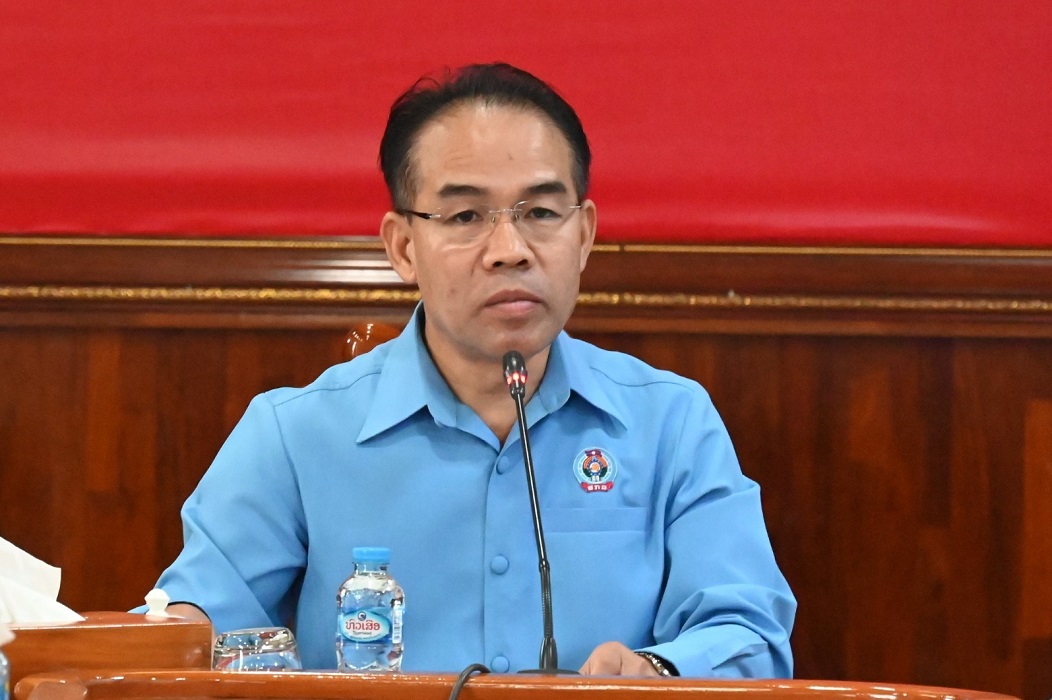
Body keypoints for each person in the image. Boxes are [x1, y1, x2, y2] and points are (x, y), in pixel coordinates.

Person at [149, 62, 796, 677]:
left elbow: (749, 633)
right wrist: (163, 635)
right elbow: (187, 633)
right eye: (465, 216)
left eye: (541, 213)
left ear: (584, 235)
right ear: (404, 247)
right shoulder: (295, 436)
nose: (510, 250)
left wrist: (655, 672)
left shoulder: (670, 423)